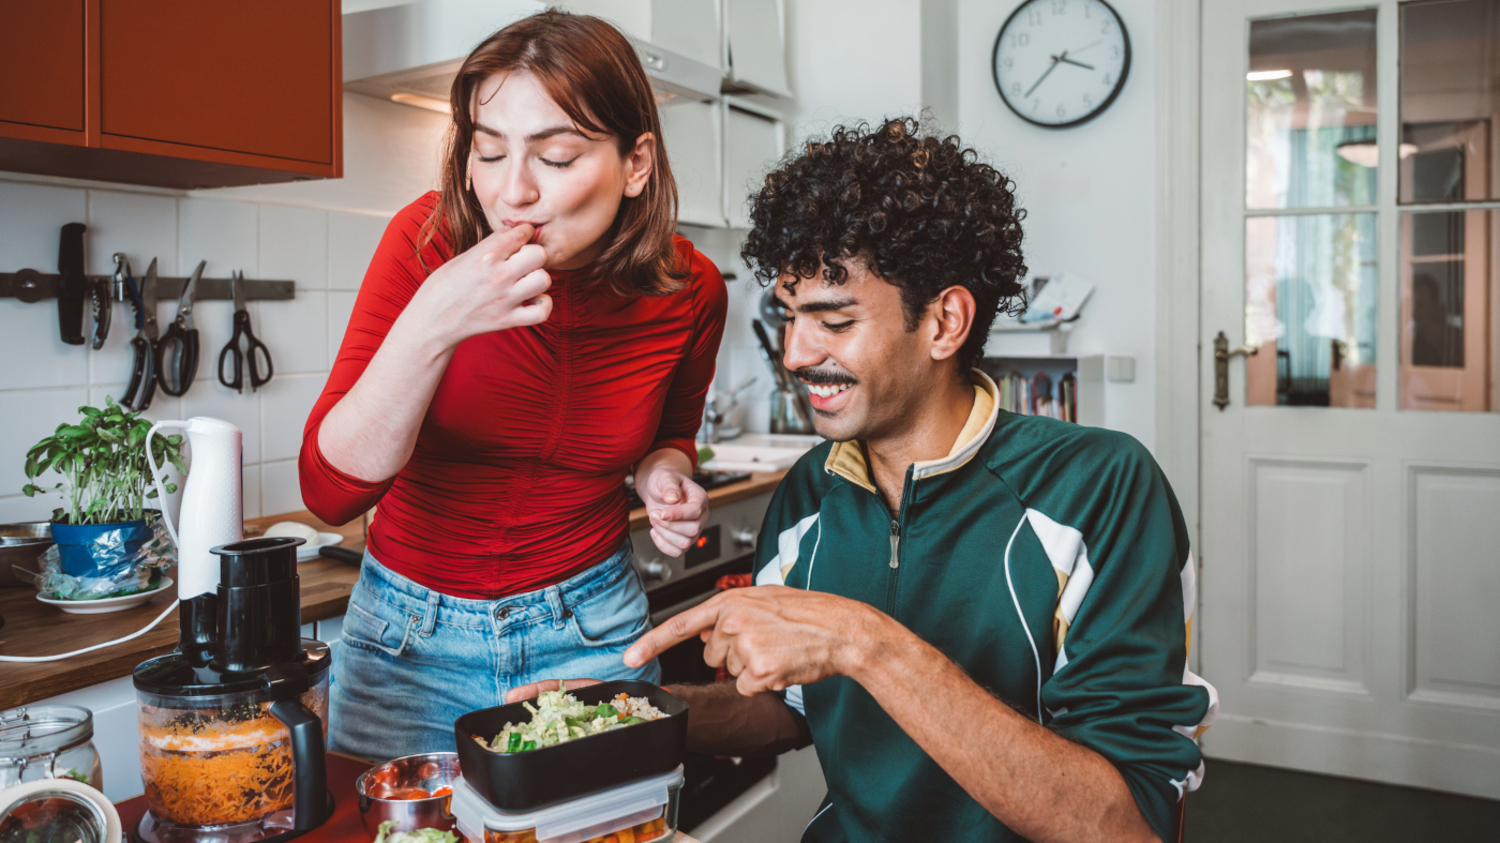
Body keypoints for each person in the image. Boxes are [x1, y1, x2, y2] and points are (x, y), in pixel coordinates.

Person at [511, 119, 1217, 843]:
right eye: (790, 317)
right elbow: (791, 710)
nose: (794, 352)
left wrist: (868, 644)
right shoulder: (808, 494)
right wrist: (634, 712)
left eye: (834, 320)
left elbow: (1127, 825)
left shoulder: (1100, 488)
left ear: (944, 322)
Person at [299, 10, 727, 761]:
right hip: (405, 646)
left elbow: (670, 437)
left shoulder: (690, 289)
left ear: (637, 164)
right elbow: (328, 493)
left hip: (592, 636)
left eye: (557, 156)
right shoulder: (424, 243)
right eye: (489, 151)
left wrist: (667, 478)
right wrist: (435, 319)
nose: (512, 191)